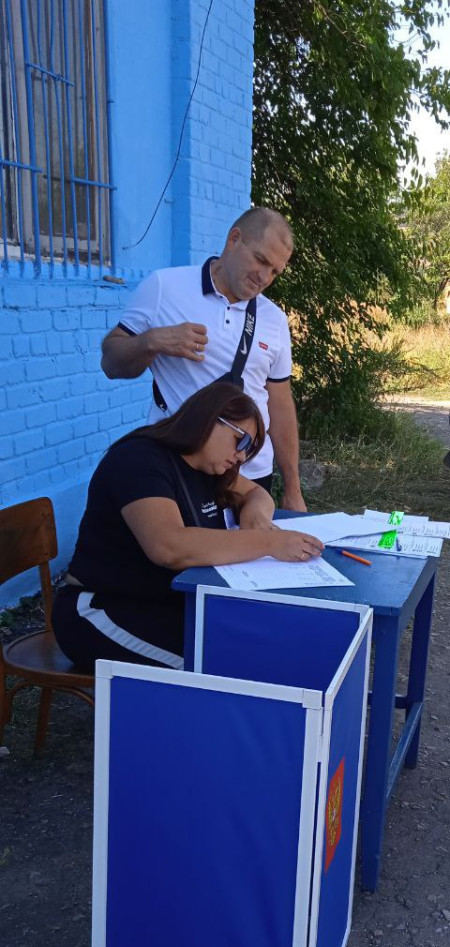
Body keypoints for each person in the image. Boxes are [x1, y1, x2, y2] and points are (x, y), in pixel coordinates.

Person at [52, 380, 323, 671]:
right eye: (241, 441)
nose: (242, 457)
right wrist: (270, 544)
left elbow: (258, 494)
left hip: (163, 604)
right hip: (100, 609)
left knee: (252, 645)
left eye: (250, 449)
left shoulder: (207, 467)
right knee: (216, 666)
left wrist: (254, 518)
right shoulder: (140, 460)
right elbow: (169, 547)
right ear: (208, 421)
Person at [100, 207, 306, 511]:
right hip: (180, 469)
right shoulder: (165, 288)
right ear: (234, 239)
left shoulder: (274, 319)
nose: (264, 277)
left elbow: (279, 403)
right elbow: (111, 362)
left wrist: (292, 488)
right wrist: (152, 341)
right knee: (179, 555)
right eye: (261, 260)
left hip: (250, 475)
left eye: (275, 271)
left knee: (246, 556)